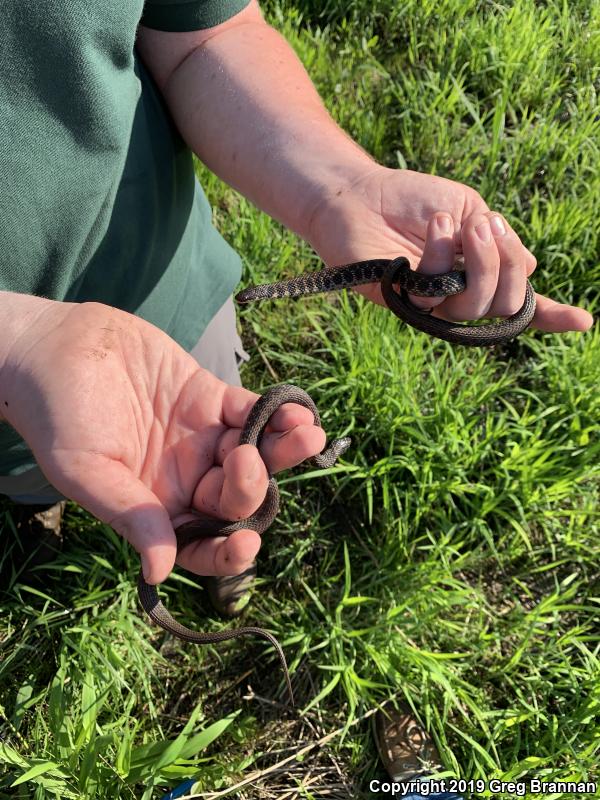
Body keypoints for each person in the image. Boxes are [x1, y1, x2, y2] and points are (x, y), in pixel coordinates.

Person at [0, 0, 592, 783]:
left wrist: (338, 186)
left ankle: (211, 569)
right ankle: (33, 501)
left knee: (219, 478)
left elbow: (201, 33)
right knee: (81, 476)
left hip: (157, 335)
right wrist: (17, 343)